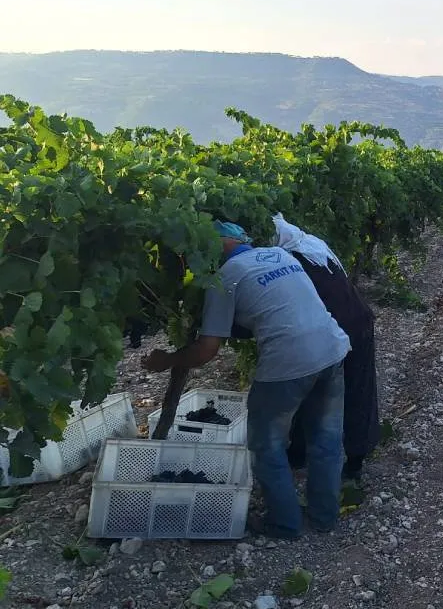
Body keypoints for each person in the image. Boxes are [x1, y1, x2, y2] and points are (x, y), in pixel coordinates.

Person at [142, 220, 351, 539]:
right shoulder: (282, 256)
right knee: (326, 440)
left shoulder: (225, 277)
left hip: (288, 363)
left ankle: (284, 524)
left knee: (267, 445)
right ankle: (324, 517)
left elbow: (206, 350)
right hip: (332, 349)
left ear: (216, 246)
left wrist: (165, 360)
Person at [270, 213, 379, 481]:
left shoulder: (286, 260)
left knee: (332, 391)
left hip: (339, 328)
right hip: (354, 320)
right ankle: (331, 457)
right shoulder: (311, 246)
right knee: (351, 390)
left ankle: (349, 461)